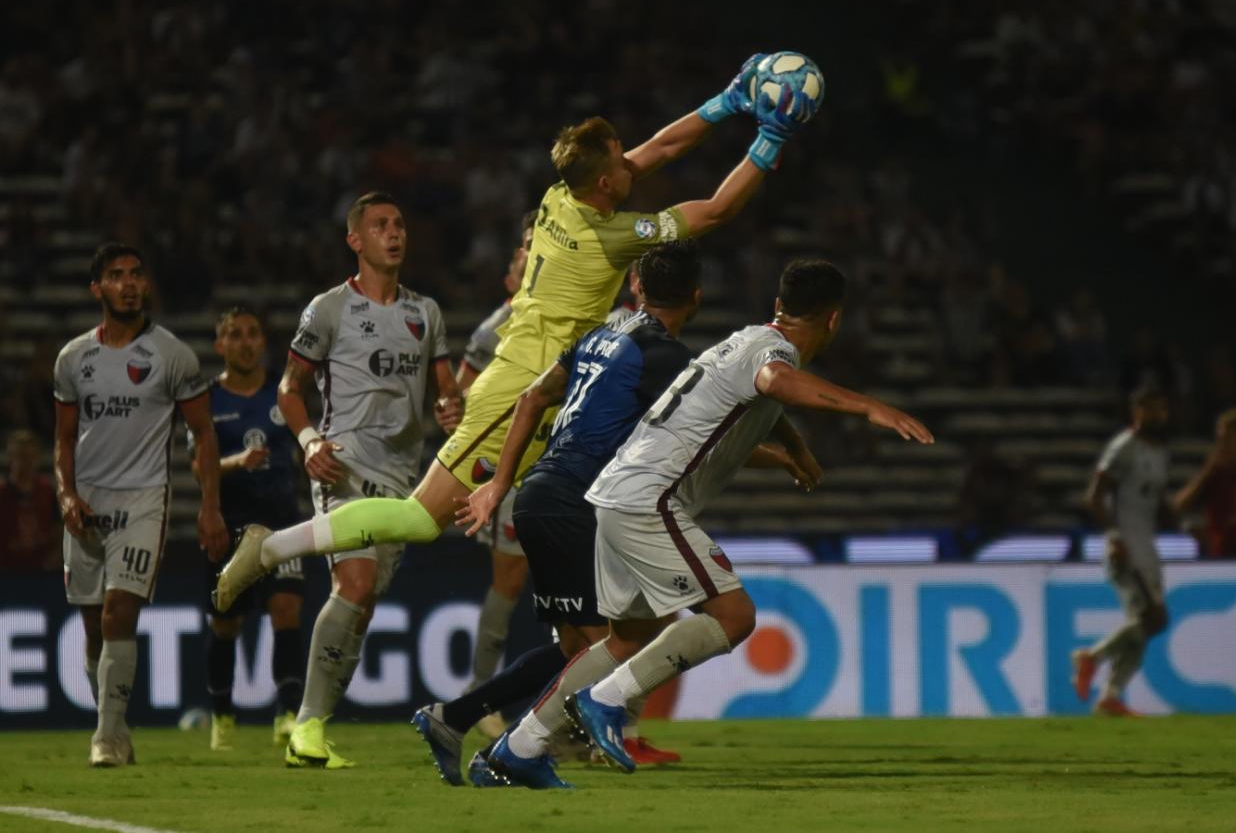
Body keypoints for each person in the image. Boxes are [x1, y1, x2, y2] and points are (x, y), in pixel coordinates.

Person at [217, 59, 818, 647]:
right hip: (523, 387)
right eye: (618, 159)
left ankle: (581, 695)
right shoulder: (609, 236)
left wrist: (728, 101)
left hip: (555, 380)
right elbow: (715, 210)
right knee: (420, 518)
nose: (631, 159)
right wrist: (769, 137)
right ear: (606, 182)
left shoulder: (561, 193)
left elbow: (658, 150)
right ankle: (269, 548)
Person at [484, 259, 933, 788]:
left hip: (611, 494)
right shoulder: (775, 355)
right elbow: (776, 381)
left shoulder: (743, 340)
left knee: (627, 639)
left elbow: (757, 394)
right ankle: (605, 700)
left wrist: (791, 445)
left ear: (777, 307)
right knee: (734, 616)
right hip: (648, 498)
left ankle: (516, 748)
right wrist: (868, 407)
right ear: (833, 321)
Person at [423, 240, 730, 786]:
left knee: (578, 645)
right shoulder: (667, 358)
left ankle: (456, 719)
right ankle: (516, 751)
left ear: (636, 285)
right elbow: (702, 432)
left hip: (539, 494)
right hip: (576, 502)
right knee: (614, 643)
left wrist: (500, 482)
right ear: (697, 297)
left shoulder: (599, 338)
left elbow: (529, 400)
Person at [223, 191, 460, 769]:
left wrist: (452, 407)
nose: (393, 233)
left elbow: (445, 391)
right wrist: (308, 443)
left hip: (405, 478)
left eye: (399, 223)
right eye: (380, 225)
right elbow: (288, 388)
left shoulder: (425, 312)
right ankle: (305, 725)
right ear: (355, 240)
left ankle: (316, 724)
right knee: (353, 585)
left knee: (363, 606)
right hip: (343, 463)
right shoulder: (328, 309)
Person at [53, 242, 228, 767]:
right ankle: (116, 725)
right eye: (114, 275)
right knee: (91, 630)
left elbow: (203, 432)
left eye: (135, 274)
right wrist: (65, 492)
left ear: (146, 284)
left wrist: (209, 506)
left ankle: (106, 736)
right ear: (97, 289)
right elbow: (62, 440)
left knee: (117, 612)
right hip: (85, 503)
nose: (127, 283)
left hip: (144, 500)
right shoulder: (72, 359)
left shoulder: (173, 355)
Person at [193, 307, 307, 751]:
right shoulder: (208, 399)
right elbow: (197, 465)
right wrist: (236, 463)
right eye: (233, 335)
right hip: (229, 524)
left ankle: (288, 712)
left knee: (286, 610)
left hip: (280, 519)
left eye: (252, 334)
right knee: (226, 624)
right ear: (220, 345)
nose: (244, 342)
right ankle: (222, 712)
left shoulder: (284, 393)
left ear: (262, 342)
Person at [455, 210, 534, 741]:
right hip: (516, 472)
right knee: (509, 582)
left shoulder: (579, 313)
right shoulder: (495, 329)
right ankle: (480, 693)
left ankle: (580, 709)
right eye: (525, 247)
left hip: (570, 466)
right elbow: (461, 390)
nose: (534, 256)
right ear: (512, 274)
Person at [1072, 384, 1173, 716]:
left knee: (1146, 624)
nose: (1158, 414)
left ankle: (1110, 695)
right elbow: (1095, 496)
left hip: (1146, 543)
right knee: (1154, 618)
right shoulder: (1125, 447)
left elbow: (1155, 502)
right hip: (1127, 545)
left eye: (1162, 408)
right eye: (1150, 408)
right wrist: (1115, 536)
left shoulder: (1159, 451)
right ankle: (1093, 659)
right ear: (1137, 411)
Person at [1173, 408, 1236, 558]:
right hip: (1223, 560)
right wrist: (1207, 472)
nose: (1222, 445)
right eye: (1220, 439)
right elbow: (1179, 506)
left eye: (1227, 438)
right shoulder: (1216, 475)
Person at [0, 429, 60, 571]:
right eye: (21, 456)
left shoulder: (47, 490)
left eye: (30, 457)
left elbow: (58, 528)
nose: (26, 462)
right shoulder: (2, 493)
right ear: (10, 458)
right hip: (7, 573)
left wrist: (56, 555)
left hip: (42, 572)